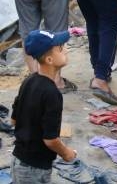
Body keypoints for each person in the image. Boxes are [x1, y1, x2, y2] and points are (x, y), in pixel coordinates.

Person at [12, 30, 77, 181]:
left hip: (19, 159)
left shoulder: (28, 81)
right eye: (60, 48)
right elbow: (51, 140)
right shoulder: (52, 94)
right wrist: (67, 153)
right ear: (49, 59)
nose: (66, 49)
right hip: (35, 168)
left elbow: (14, 120)